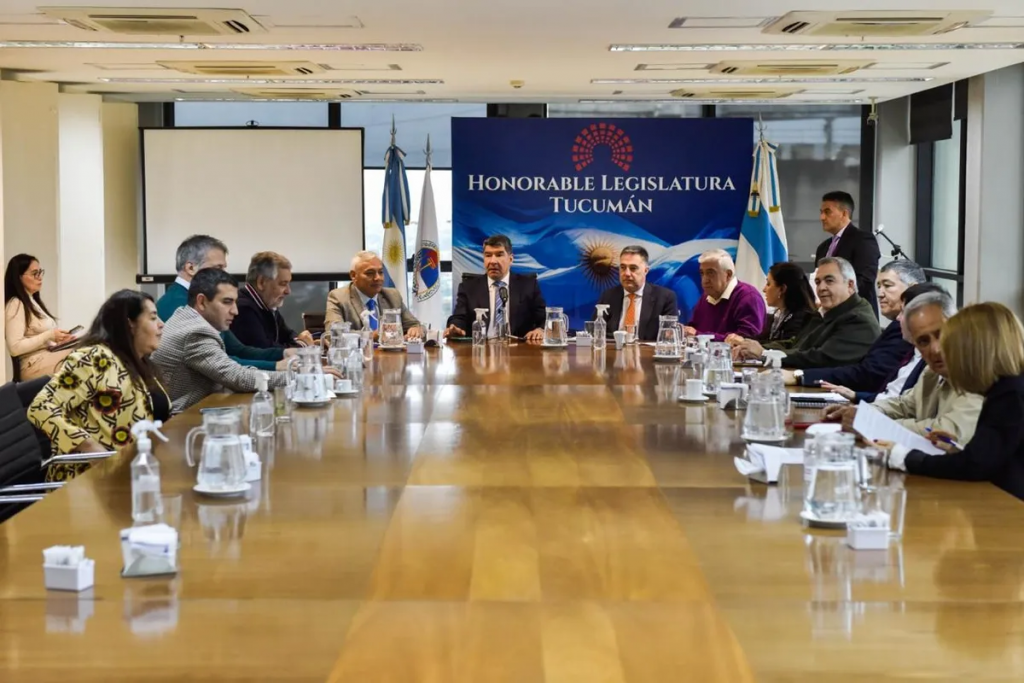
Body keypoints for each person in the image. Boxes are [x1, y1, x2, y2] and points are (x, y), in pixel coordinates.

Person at [874, 302, 1024, 501]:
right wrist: (956, 451)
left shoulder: (1010, 395)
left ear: (976, 349)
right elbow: (990, 456)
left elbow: (976, 466)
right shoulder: (1006, 388)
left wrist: (903, 457)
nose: (944, 353)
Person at [27, 290, 170, 481]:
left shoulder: (140, 363)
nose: (161, 324)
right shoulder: (94, 358)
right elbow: (40, 408)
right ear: (130, 324)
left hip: (135, 471)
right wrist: (90, 447)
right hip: (91, 480)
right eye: (152, 318)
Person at [828, 290, 982, 442]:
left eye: (941, 334)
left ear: (957, 328)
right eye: (923, 341)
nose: (935, 349)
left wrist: (873, 424)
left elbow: (946, 432)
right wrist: (861, 412)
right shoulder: (931, 372)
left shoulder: (979, 373)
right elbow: (905, 405)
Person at [153, 268, 290, 413]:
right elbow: (238, 378)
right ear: (201, 302)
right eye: (227, 302)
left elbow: (234, 370)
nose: (235, 311)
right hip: (184, 419)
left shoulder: (184, 315)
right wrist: (295, 378)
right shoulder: (195, 332)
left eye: (235, 302)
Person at [784, 260, 925, 390]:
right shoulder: (895, 326)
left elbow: (868, 375)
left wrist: (798, 376)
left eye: (887, 286)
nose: (880, 294)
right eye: (879, 286)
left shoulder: (906, 329)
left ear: (912, 288)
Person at [734, 257, 880, 369]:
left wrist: (764, 354)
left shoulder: (858, 319)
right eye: (818, 282)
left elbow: (821, 358)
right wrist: (751, 347)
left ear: (850, 285)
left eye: (829, 281)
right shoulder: (828, 313)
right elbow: (796, 344)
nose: (821, 288)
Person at [819, 282, 947, 404]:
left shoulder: (935, 364)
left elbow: (907, 408)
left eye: (903, 312)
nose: (898, 318)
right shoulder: (913, 353)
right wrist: (855, 396)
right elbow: (903, 403)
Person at [445, 234, 547, 342]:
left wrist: (541, 330)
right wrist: (455, 327)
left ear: (510, 259)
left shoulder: (528, 285)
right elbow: (459, 317)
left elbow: (544, 318)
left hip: (518, 346)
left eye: (499, 255)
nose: (493, 261)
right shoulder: (469, 287)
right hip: (481, 347)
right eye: (488, 255)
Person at [4, 254, 75, 380]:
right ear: (19, 277)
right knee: (86, 357)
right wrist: (49, 335)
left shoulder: (33, 301)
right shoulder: (16, 303)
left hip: (47, 356)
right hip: (32, 365)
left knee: (89, 351)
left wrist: (60, 342)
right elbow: (15, 347)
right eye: (34, 273)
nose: (40, 277)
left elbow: (41, 339)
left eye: (40, 272)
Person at [324, 251, 424, 340]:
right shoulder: (338, 297)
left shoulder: (392, 296)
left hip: (390, 354)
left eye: (380, 272)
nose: (377, 278)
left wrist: (415, 330)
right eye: (370, 273)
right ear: (353, 275)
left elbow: (416, 325)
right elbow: (333, 334)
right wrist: (373, 335)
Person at [230, 252, 314, 349]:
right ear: (261, 282)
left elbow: (288, 335)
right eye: (283, 284)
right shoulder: (243, 309)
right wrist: (302, 345)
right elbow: (266, 350)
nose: (288, 291)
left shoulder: (267, 304)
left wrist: (307, 341)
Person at [815, 191, 881, 315]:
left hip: (856, 315)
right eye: (821, 212)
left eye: (827, 212)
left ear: (844, 213)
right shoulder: (823, 248)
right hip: (825, 316)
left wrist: (838, 300)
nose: (822, 217)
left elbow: (865, 280)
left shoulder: (863, 239)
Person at [595, 245, 677, 341]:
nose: (627, 273)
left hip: (647, 350)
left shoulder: (665, 298)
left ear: (646, 270)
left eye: (633, 268)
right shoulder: (608, 296)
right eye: (623, 267)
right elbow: (595, 333)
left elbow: (668, 339)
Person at [725, 261, 815, 347]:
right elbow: (763, 340)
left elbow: (787, 346)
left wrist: (745, 343)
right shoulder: (774, 317)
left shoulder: (803, 319)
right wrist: (741, 339)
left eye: (768, 284)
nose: (764, 289)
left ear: (782, 289)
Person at [684, 249, 766, 341]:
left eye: (710, 273)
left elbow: (745, 340)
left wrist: (699, 335)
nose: (705, 280)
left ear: (728, 275)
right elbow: (693, 329)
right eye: (702, 273)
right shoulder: (706, 297)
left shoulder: (749, 297)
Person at [155, 235, 228, 321]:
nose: (224, 275)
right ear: (191, 268)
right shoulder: (183, 307)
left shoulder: (178, 298)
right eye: (218, 268)